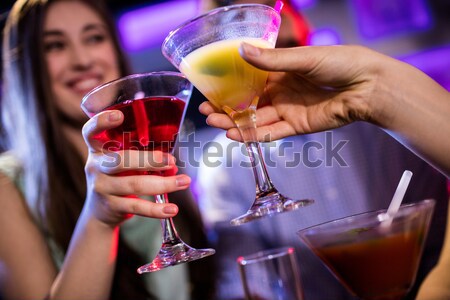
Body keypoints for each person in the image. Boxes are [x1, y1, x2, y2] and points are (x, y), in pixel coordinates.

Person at [193, 1, 449, 299]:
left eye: (268, 12)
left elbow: (439, 232)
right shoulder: (224, 164)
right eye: (240, 19)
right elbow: (244, 281)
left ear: (303, 25)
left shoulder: (393, 127)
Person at [0, 1, 214, 299]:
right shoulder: (6, 184)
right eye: (54, 46)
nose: (83, 60)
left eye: (94, 37)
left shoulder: (154, 140)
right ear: (26, 67)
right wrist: (98, 218)